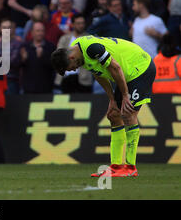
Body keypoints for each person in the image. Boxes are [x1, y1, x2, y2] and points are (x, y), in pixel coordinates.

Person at [51, 35, 157, 177]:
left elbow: (115, 67)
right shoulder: (79, 52)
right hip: (125, 73)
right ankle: (116, 167)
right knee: (114, 115)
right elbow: (98, 73)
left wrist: (125, 96)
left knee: (128, 113)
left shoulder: (92, 48)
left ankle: (131, 168)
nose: (71, 70)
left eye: (69, 68)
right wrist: (112, 100)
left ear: (70, 58)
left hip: (139, 67)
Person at [55, 14, 92, 93]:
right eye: (78, 23)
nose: (81, 25)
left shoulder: (89, 38)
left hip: (84, 78)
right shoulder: (65, 38)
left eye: (82, 23)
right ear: (72, 24)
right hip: (66, 78)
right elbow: (59, 55)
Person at [19, 21, 55, 93]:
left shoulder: (51, 46)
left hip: (46, 88)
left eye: (42, 31)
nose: (40, 33)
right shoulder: (25, 46)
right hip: (28, 88)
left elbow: (55, 66)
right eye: (38, 31)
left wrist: (42, 57)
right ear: (32, 32)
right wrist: (23, 59)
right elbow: (18, 65)